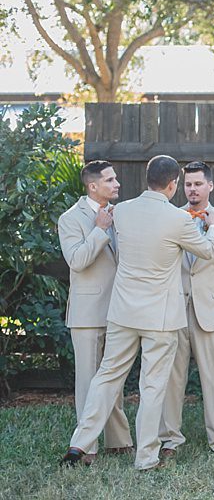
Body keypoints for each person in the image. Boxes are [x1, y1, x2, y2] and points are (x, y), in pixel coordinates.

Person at [61, 155, 214, 470]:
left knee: (106, 378)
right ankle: (146, 457)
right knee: (152, 386)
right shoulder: (179, 220)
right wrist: (212, 228)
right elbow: (209, 252)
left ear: (148, 178)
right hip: (159, 319)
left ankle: (79, 444)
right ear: (173, 184)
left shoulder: (123, 212)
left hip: (121, 313)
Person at [158, 161, 214, 457]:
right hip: (174, 311)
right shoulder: (170, 217)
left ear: (210, 186)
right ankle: (169, 439)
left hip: (213, 312)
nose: (192, 189)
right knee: (172, 378)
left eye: (198, 184)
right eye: (188, 184)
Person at [56, 160, 133, 465]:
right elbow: (77, 260)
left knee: (113, 378)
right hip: (87, 312)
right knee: (88, 381)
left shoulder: (122, 214)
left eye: (115, 179)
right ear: (93, 186)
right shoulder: (70, 219)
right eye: (110, 180)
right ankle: (87, 448)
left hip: (118, 309)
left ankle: (119, 440)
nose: (117, 184)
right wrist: (100, 231)